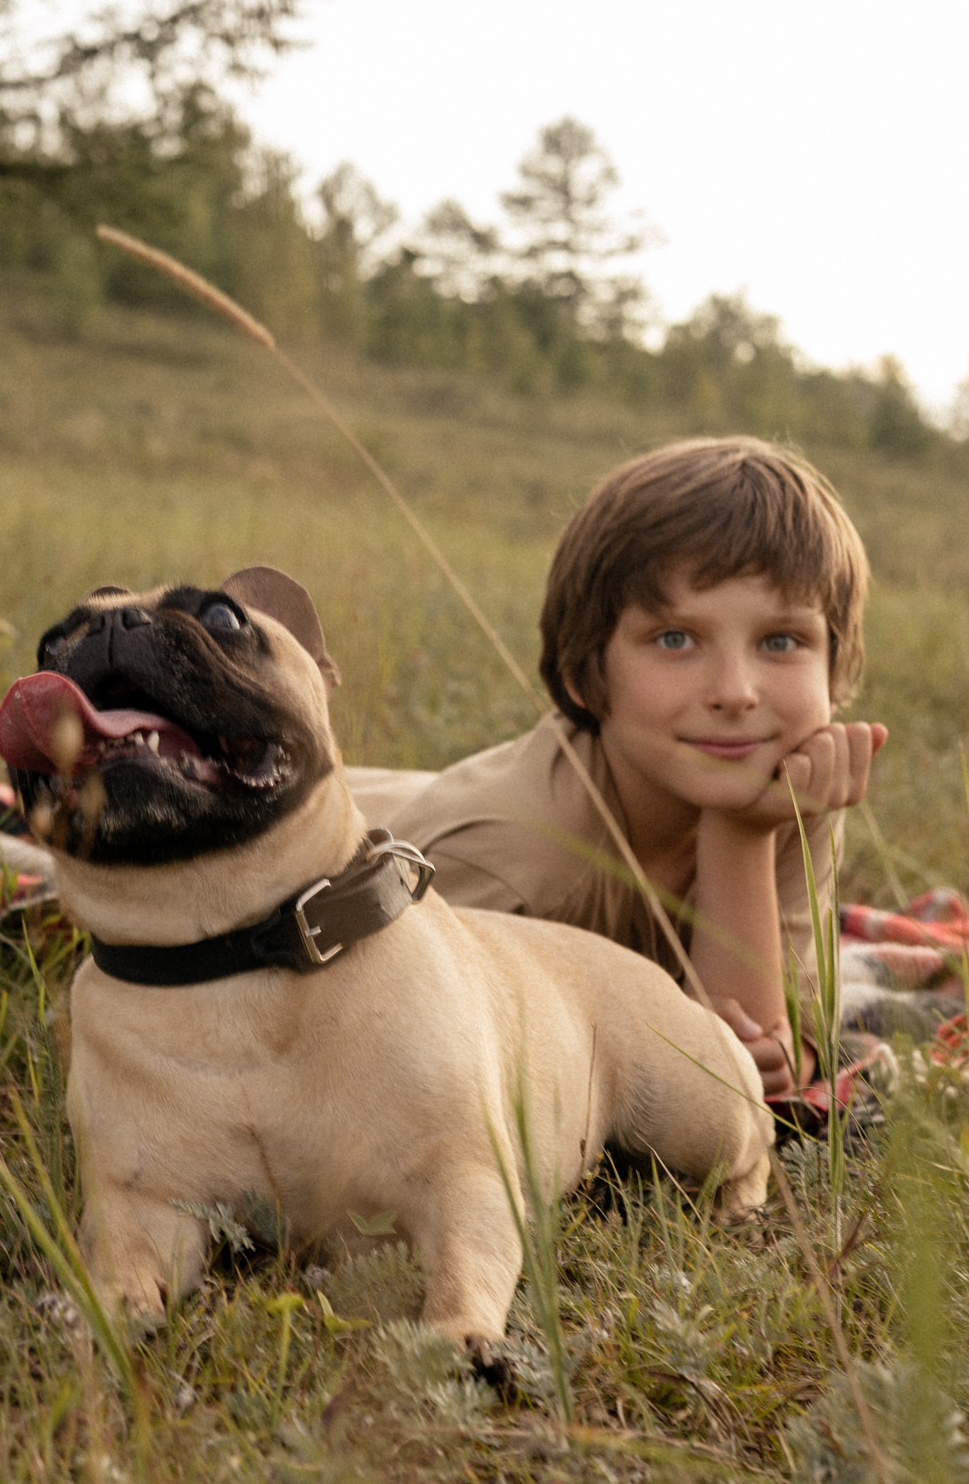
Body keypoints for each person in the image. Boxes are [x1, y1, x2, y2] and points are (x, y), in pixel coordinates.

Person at [358, 437, 885, 1098]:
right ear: (585, 673)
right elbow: (404, 1077)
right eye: (675, 639)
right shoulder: (513, 861)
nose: (736, 691)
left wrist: (741, 835)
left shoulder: (784, 790)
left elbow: (753, 1067)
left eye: (781, 642)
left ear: (835, 671)